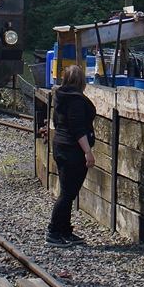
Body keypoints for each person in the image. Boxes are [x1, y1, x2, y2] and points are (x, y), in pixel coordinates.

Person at [46, 63, 96, 247]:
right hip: (72, 150)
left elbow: (58, 122)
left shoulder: (60, 97)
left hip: (60, 145)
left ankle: (65, 230)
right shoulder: (76, 101)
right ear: (81, 81)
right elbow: (77, 128)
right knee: (67, 194)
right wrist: (87, 151)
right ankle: (53, 232)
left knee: (68, 191)